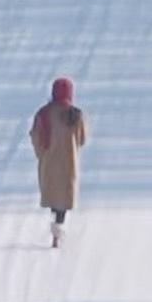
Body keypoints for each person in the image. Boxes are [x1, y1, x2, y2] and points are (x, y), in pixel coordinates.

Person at [30, 74, 87, 244]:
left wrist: (41, 152)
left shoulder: (44, 113)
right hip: (68, 162)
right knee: (64, 195)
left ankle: (55, 227)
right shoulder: (75, 115)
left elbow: (35, 135)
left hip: (49, 161)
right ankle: (58, 226)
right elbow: (82, 138)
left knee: (53, 194)